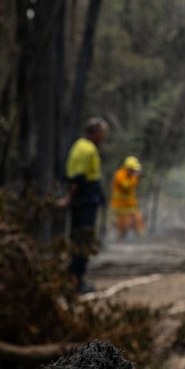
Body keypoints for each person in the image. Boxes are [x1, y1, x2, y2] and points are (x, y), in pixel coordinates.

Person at [59, 117, 108, 294]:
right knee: (82, 240)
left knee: (80, 240)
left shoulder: (81, 145)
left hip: (86, 201)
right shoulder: (86, 149)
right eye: (103, 132)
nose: (104, 136)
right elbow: (77, 177)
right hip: (84, 202)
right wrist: (69, 197)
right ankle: (76, 281)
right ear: (95, 132)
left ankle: (74, 278)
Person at [110, 156, 145, 239]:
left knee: (137, 220)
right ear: (128, 169)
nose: (135, 172)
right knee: (123, 224)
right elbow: (126, 186)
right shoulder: (120, 175)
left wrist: (135, 177)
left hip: (130, 204)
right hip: (121, 205)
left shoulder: (131, 176)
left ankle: (141, 238)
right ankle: (120, 240)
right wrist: (135, 178)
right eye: (133, 170)